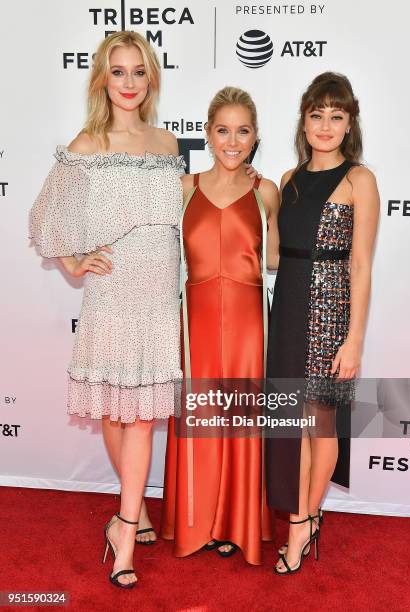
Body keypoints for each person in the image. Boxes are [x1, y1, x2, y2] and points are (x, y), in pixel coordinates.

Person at [29, 31, 185, 588]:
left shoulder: (168, 145)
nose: (128, 82)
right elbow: (44, 216)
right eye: (117, 72)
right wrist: (73, 260)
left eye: (138, 72)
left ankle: (125, 519)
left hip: (160, 291)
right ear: (102, 79)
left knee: (141, 412)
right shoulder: (89, 143)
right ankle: (131, 517)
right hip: (114, 291)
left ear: (151, 79)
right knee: (119, 412)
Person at [160, 86, 280, 565]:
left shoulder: (265, 190)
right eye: (223, 130)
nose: (233, 141)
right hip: (196, 321)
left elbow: (281, 257)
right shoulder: (183, 189)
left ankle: (237, 522)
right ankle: (195, 523)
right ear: (207, 134)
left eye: (243, 131)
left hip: (252, 323)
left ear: (255, 137)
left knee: (243, 420)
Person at [266, 72, 379, 575]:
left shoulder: (360, 180)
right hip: (288, 306)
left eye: (337, 115)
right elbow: (273, 258)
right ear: (304, 121)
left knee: (321, 422)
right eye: (317, 115)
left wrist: (354, 340)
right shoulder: (288, 181)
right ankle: (298, 517)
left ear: (349, 122)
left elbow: (360, 266)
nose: (326, 125)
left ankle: (306, 519)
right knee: (294, 424)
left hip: (331, 312)